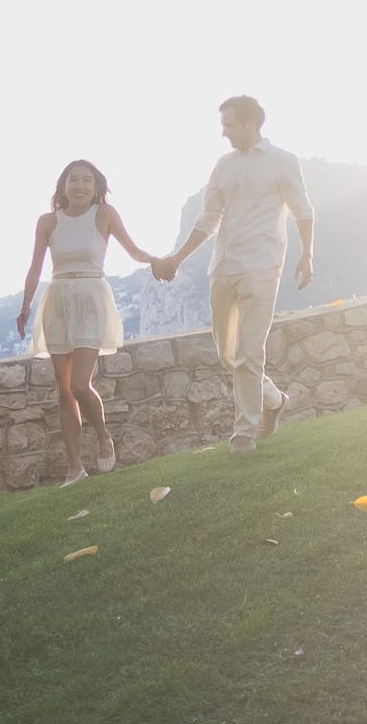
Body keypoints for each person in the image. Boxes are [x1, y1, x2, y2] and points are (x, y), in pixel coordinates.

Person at [152, 96, 314, 453]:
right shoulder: (223, 166)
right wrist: (177, 257)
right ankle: (274, 400)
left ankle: (244, 432)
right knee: (228, 354)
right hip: (223, 266)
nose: (223, 132)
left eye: (228, 125)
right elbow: (209, 218)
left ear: (249, 123)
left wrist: (307, 254)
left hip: (262, 264)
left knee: (249, 352)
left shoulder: (282, 161)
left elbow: (303, 210)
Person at [17, 159, 164, 487]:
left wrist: (154, 260)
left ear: (96, 187)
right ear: (63, 186)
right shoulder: (46, 222)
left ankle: (102, 436)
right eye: (74, 180)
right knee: (63, 387)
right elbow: (35, 268)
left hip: (90, 296)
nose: (80, 186)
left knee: (80, 384)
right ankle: (74, 467)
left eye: (87, 180)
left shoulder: (105, 215)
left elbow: (134, 250)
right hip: (58, 298)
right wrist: (26, 306)